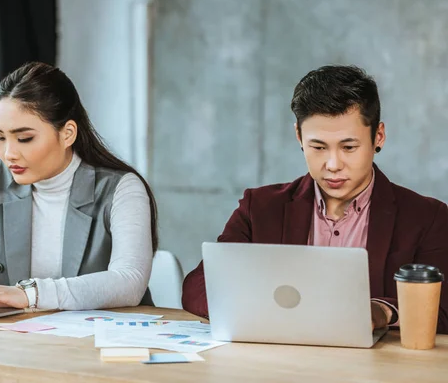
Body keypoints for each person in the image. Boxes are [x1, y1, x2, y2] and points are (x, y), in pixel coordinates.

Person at [182, 65, 448, 333]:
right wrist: (258, 305)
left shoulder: (427, 217)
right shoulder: (260, 208)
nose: (333, 164)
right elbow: (198, 286)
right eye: (318, 147)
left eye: (348, 147)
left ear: (378, 136)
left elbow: (443, 309)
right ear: (299, 136)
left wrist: (381, 310)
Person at [0, 62, 158, 313]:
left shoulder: (122, 189)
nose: (9, 154)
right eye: (0, 137)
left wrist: (30, 294)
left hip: (104, 343)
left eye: (25, 139)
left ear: (67, 133)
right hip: (20, 340)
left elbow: (129, 281)